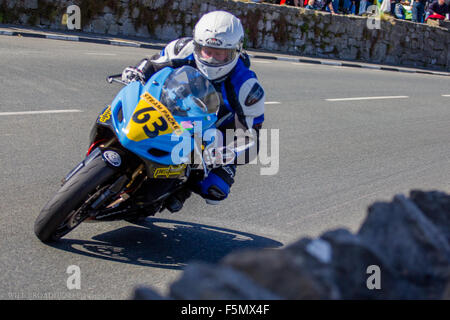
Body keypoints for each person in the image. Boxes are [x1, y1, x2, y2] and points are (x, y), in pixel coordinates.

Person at [121, 11, 265, 213]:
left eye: (220, 53)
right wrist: (138, 71)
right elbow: (153, 64)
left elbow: (252, 137)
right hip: (174, 104)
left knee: (215, 189)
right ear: (197, 45)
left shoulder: (248, 87)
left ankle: (181, 190)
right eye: (207, 51)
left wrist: (227, 153)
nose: (212, 59)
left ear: (235, 51)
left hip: (216, 131)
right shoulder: (182, 48)